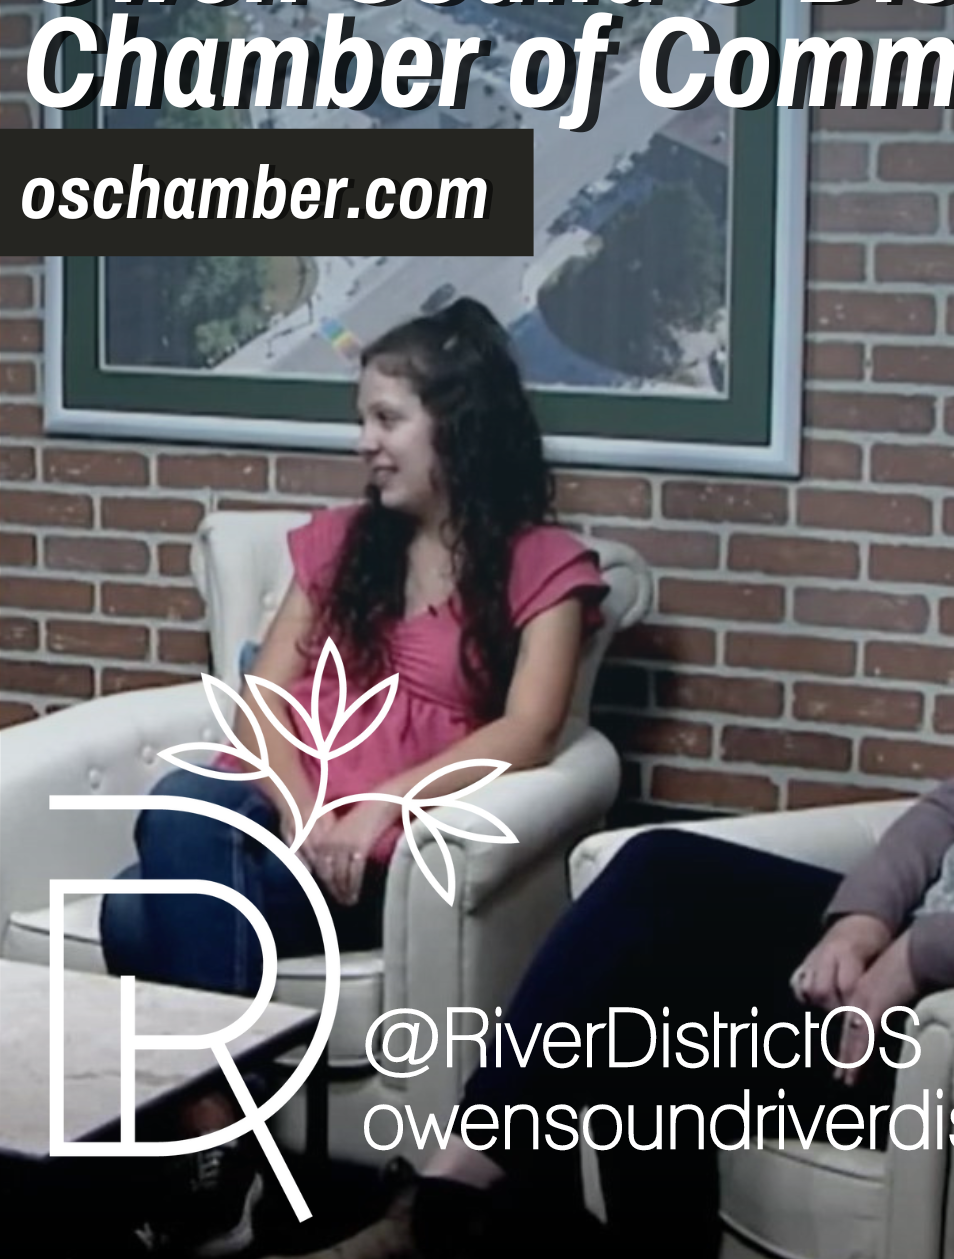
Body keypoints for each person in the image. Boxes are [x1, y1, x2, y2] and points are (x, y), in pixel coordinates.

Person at [283, 408, 954, 1259]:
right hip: (909, 953)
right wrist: (865, 914)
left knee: (650, 1013)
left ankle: (460, 1187)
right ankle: (477, 1171)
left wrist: (919, 954)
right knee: (658, 879)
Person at [100, 299, 609, 1256]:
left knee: (137, 909)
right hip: (281, 832)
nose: (365, 443)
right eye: (361, 419)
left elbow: (533, 729)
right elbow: (262, 700)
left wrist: (379, 802)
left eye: (387, 420)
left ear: (455, 428)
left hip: (387, 864)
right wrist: (300, 810)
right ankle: (228, 1142)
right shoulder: (338, 540)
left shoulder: (546, 564)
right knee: (179, 811)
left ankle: (209, 1151)